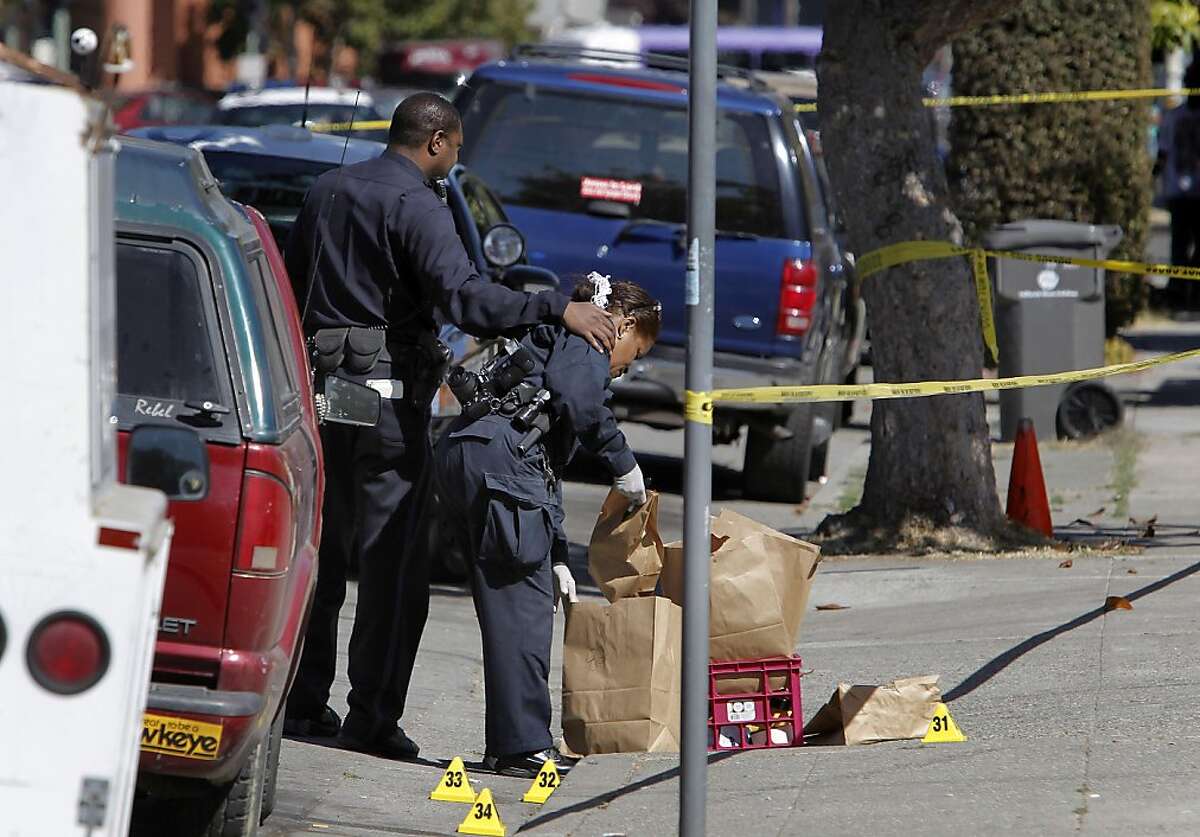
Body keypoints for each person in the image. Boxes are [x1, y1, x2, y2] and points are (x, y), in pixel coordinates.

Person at [281, 93, 617, 760]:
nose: (455, 160)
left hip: (328, 394)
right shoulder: (418, 206)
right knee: (393, 564)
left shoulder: (326, 189)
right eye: (456, 149)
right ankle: (370, 717)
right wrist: (558, 308)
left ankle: (301, 699)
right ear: (434, 141)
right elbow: (466, 296)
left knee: (319, 544)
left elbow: (290, 284)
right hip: (387, 402)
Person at [434, 275, 660, 777]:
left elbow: (542, 469)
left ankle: (506, 742)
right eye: (635, 350)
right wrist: (622, 464)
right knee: (524, 609)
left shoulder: (556, 334)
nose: (626, 367)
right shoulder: (589, 338)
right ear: (622, 325)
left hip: (470, 452)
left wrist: (557, 551)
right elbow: (579, 400)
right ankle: (522, 747)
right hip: (501, 463)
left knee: (505, 602)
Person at [1159, 60, 1200, 309]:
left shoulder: (1175, 116)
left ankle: (1191, 292)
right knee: (1179, 245)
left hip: (1192, 193)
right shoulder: (1174, 116)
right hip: (1179, 192)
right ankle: (1179, 292)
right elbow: (1162, 152)